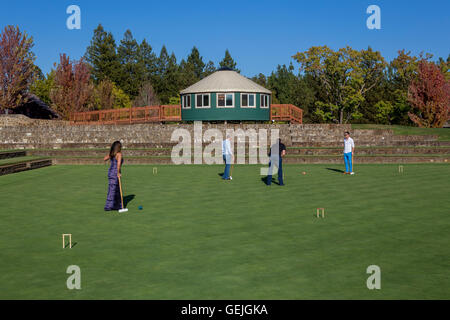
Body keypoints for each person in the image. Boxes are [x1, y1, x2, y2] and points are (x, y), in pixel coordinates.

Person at [104, 141, 124, 210]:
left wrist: (110, 155)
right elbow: (118, 165)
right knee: (112, 190)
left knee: (117, 190)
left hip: (111, 172)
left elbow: (105, 158)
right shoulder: (119, 154)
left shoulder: (112, 153)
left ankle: (117, 205)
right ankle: (108, 206)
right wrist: (118, 173)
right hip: (115, 173)